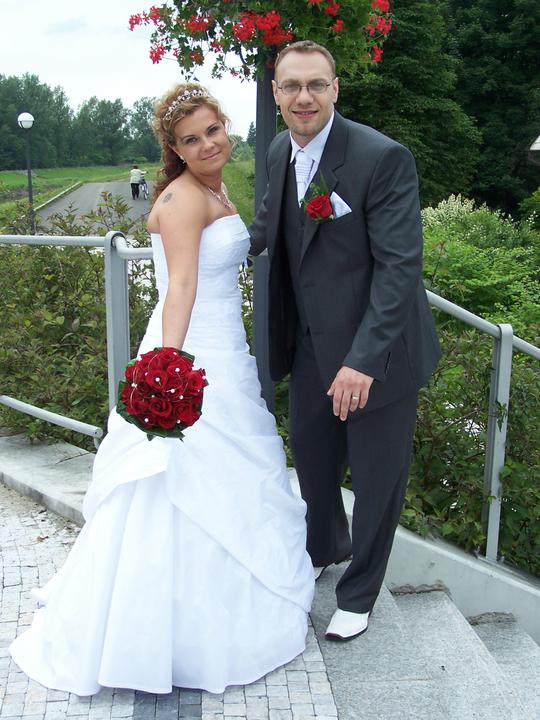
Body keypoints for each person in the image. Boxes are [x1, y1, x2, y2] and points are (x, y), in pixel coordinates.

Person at [9, 83, 314, 695]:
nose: (207, 145)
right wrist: (170, 371)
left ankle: (214, 616)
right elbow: (179, 288)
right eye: (190, 139)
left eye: (212, 131)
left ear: (225, 127)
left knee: (224, 484)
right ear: (174, 149)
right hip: (194, 355)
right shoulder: (181, 198)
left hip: (225, 350)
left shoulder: (214, 188)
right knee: (174, 483)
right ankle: (152, 635)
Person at [249, 40, 441, 642]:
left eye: (316, 84)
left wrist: (362, 362)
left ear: (335, 89)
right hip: (309, 345)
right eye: (291, 86)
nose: (303, 97)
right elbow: (268, 229)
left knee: (378, 480)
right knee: (312, 459)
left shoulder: (381, 158)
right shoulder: (278, 150)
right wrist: (199, 228)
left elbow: (399, 269)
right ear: (277, 94)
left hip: (376, 353)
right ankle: (325, 547)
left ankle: (359, 594)